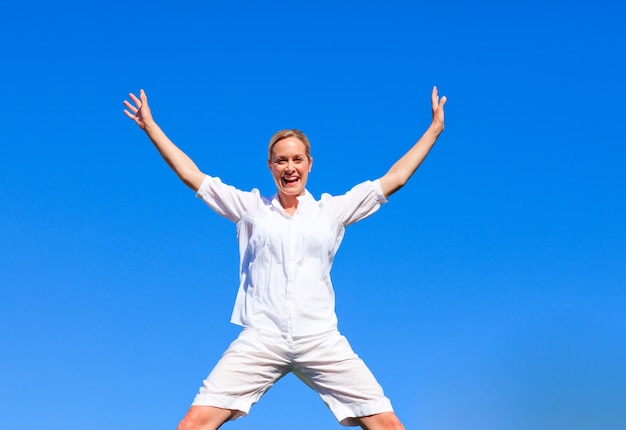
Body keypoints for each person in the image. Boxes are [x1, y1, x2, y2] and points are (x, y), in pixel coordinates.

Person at [123, 86, 446, 430]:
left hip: (319, 337)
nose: (289, 167)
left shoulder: (330, 211)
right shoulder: (250, 208)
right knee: (193, 424)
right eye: (281, 160)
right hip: (263, 337)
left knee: (388, 425)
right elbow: (192, 175)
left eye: (297, 159)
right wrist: (151, 127)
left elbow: (394, 178)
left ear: (309, 164)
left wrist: (434, 130)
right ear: (270, 166)